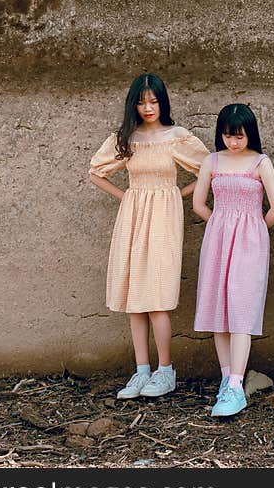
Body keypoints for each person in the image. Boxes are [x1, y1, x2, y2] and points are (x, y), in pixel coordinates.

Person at [89, 73, 209, 400]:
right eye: (141, 102)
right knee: (134, 299)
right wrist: (126, 197)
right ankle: (142, 370)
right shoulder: (127, 138)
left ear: (162, 102)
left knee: (157, 296)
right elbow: (96, 171)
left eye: (153, 101)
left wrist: (176, 193)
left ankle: (165, 370)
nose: (147, 108)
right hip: (133, 216)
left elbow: (209, 170)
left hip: (165, 218)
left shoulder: (176, 136)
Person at [192, 103, 274, 417]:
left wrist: (253, 227)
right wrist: (220, 223)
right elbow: (198, 203)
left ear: (250, 134)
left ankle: (236, 385)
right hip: (217, 241)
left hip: (250, 244)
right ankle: (226, 378)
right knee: (219, 310)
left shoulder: (261, 162)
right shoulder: (212, 161)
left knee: (242, 310)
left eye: (240, 136)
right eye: (229, 136)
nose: (234, 142)